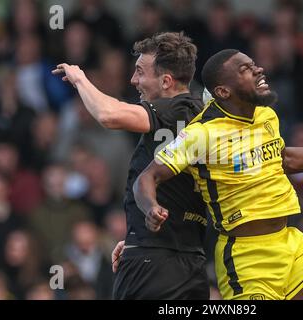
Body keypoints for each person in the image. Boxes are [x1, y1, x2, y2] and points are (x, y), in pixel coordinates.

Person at [133, 49, 303, 300]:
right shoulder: (202, 134)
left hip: (289, 243)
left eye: (254, 64)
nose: (258, 70)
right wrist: (150, 207)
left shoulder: (266, 115)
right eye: (245, 69)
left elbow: (283, 157)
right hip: (246, 258)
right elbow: (147, 177)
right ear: (223, 91)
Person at [52, 32, 209, 299]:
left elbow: (108, 115)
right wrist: (138, 241)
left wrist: (80, 80)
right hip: (190, 261)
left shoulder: (170, 110)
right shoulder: (207, 118)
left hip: (153, 268)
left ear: (166, 81)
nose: (133, 80)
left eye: (139, 72)